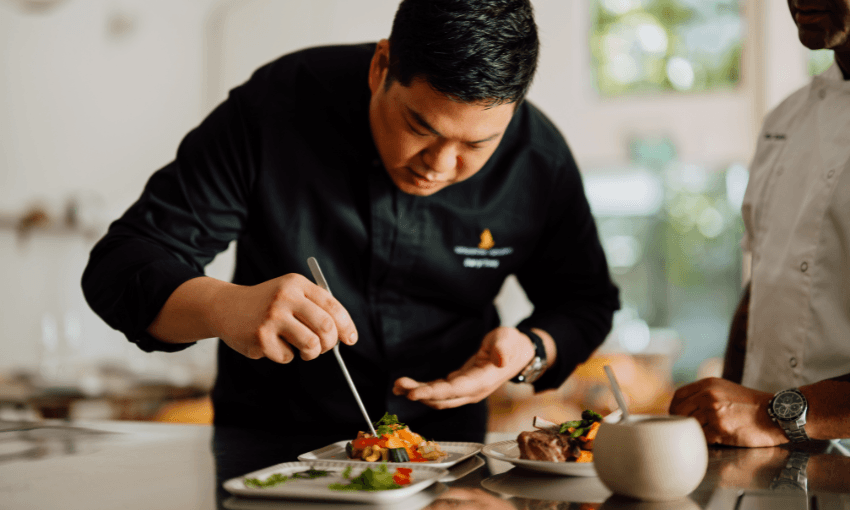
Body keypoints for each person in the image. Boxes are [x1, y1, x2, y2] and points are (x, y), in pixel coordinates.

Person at [82, 0, 619, 444]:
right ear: (380, 67)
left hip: (445, 456)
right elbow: (122, 263)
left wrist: (532, 350)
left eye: (477, 144)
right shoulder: (278, 106)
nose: (440, 164)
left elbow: (585, 299)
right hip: (269, 451)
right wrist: (224, 306)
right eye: (419, 126)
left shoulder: (538, 159)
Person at [670, 0, 850, 447]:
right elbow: (766, 281)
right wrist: (721, 422)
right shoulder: (785, 119)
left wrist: (774, 416)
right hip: (767, 462)